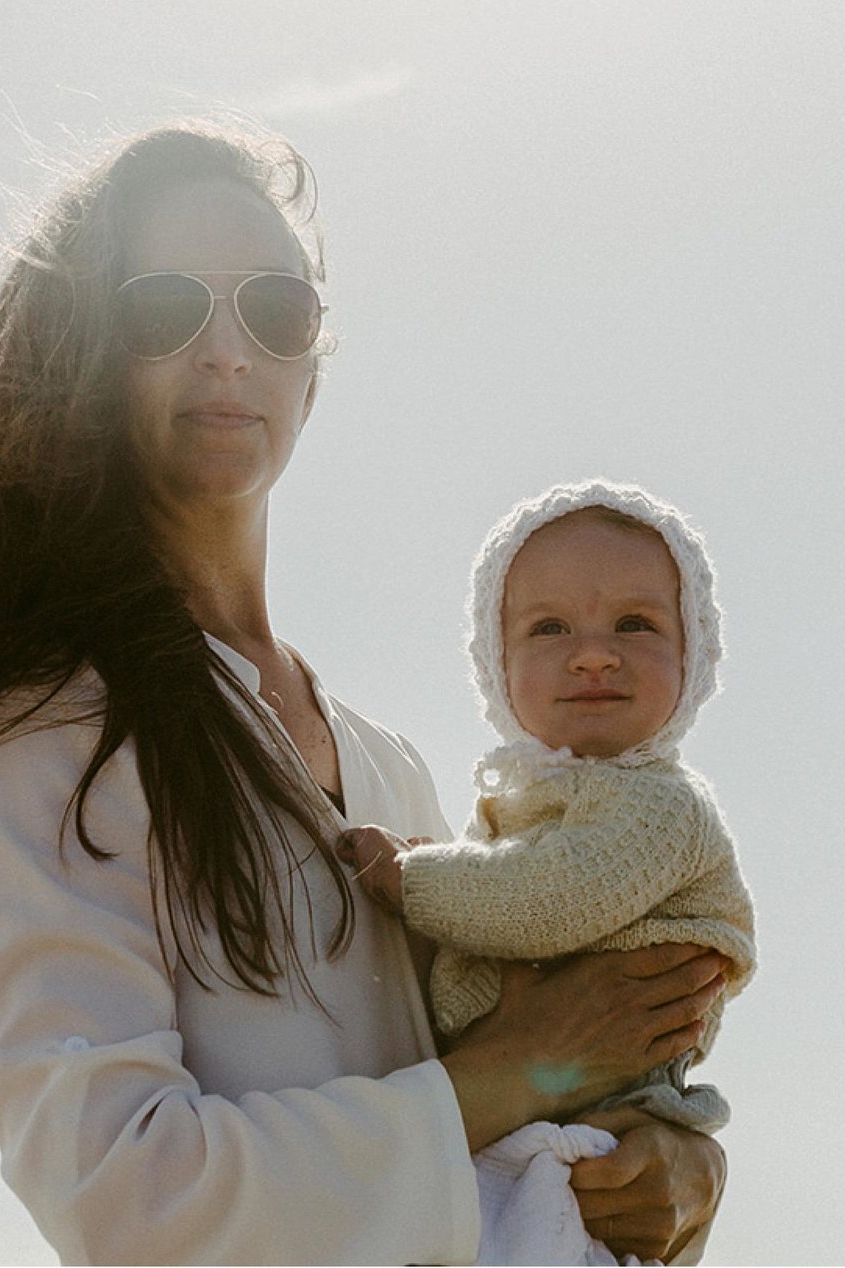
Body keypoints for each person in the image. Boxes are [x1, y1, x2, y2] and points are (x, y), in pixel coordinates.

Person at [0, 122, 729, 1265]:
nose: (225, 352)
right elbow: (125, 1199)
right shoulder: (47, 739)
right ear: (90, 353)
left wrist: (677, 1171)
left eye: (275, 312)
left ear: (313, 360)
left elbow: (529, 1112)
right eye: (163, 311)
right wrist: (513, 1074)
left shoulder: (387, 761)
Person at [343, 481, 756, 1265]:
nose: (594, 652)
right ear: (494, 666)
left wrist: (410, 880)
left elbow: (549, 900)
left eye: (635, 624)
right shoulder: (530, 805)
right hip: (525, 1112)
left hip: (608, 1119)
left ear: (694, 651)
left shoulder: (661, 805)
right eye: (549, 627)